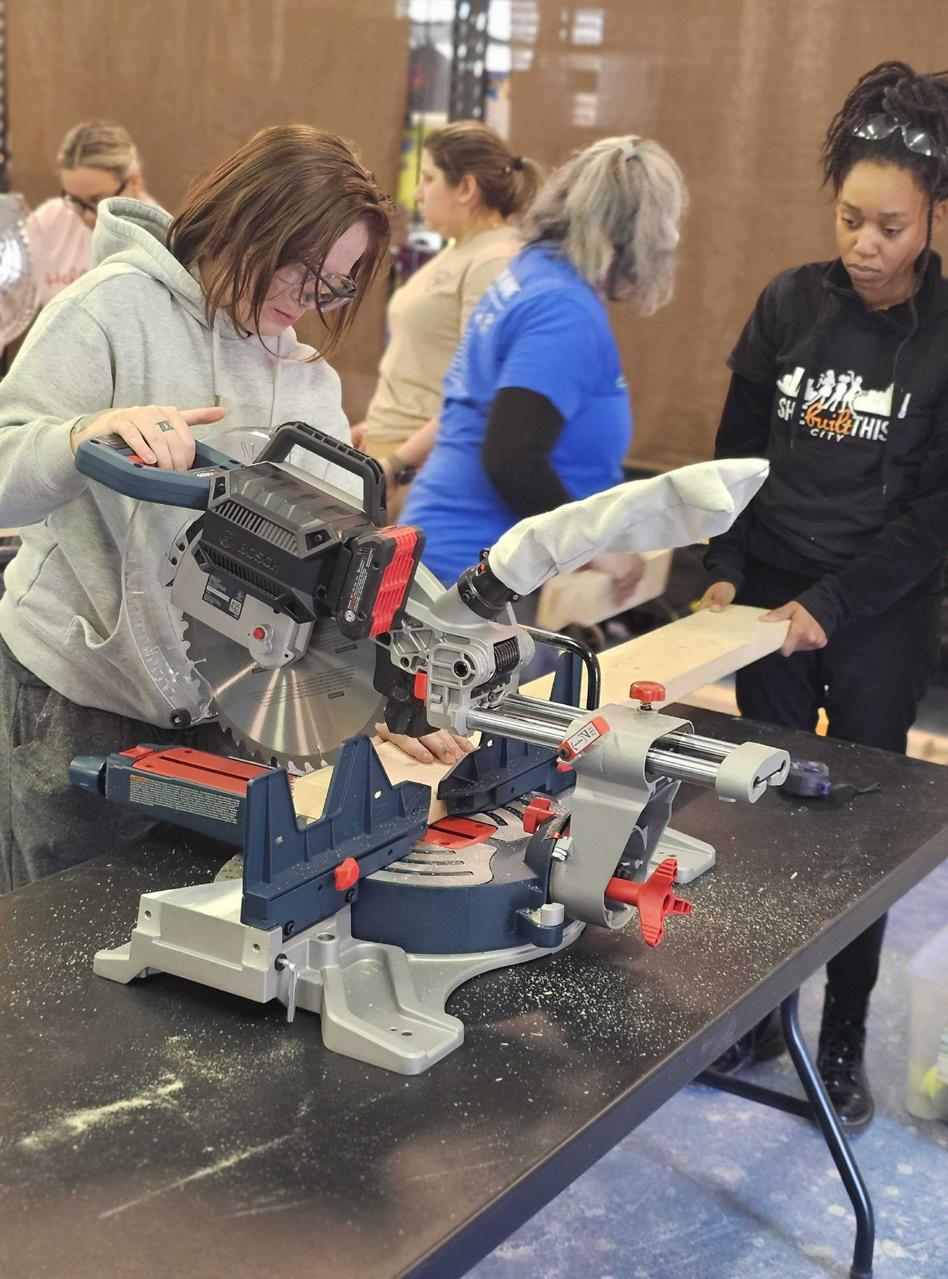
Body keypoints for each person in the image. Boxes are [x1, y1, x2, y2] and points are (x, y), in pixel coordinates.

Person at [0, 124, 468, 894]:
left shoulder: (308, 383)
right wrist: (82, 435)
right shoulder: (109, 310)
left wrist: (396, 690)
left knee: (200, 933)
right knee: (62, 936)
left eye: (333, 285)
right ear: (245, 220)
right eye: (300, 270)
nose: (306, 301)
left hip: (230, 715)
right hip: (80, 702)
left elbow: (334, 574)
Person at [699, 62, 948, 1131]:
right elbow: (735, 456)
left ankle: (839, 1034)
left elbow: (937, 517)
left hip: (881, 605)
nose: (864, 244)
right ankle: (755, 1013)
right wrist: (724, 568)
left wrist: (831, 604)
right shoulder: (788, 301)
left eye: (889, 226)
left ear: (935, 216)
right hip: (771, 594)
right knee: (769, 806)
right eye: (848, 219)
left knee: (860, 831)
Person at [395, 135, 686, 599]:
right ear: (639, 235)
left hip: (463, 559)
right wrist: (591, 549)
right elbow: (512, 458)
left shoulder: (534, 270)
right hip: (479, 573)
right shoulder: (563, 310)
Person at [353, 121, 542, 510]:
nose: (418, 193)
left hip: (419, 470)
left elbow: (480, 389)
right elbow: (428, 364)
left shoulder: (494, 260)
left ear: (466, 188)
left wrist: (398, 463)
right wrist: (378, 429)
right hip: (395, 453)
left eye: (428, 178)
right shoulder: (463, 251)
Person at [26, 121, 156, 310]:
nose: (86, 216)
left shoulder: (158, 240)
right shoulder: (47, 222)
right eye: (75, 200)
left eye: (98, 201)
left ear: (134, 182)